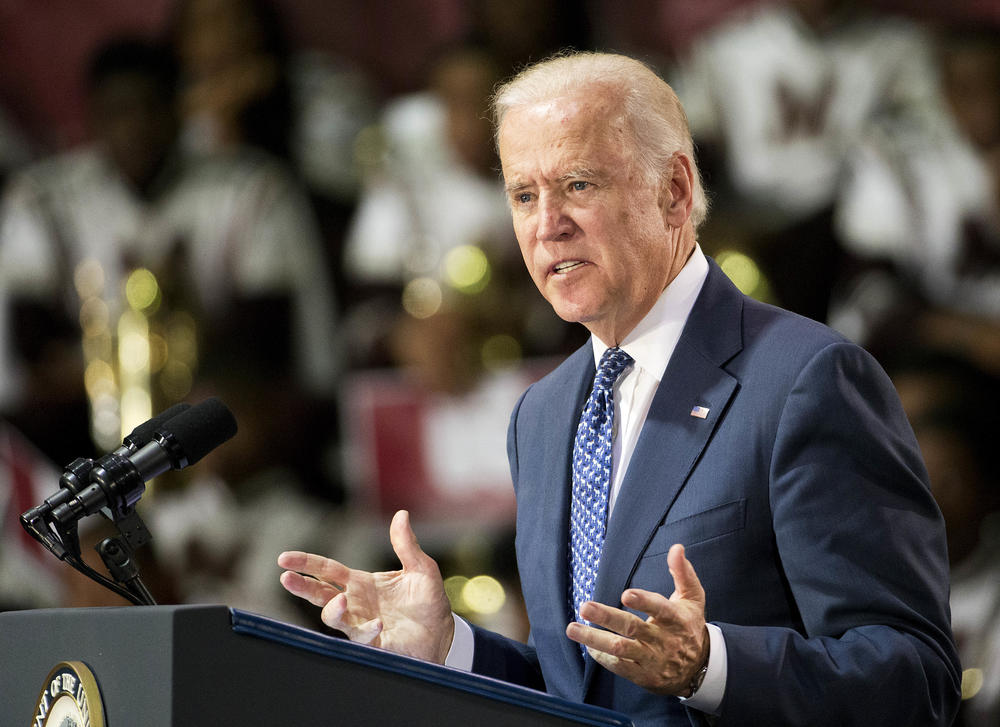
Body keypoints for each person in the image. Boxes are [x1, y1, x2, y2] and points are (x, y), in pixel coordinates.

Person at [278, 51, 961, 726]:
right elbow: (584, 692)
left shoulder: (806, 380)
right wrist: (449, 645)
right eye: (524, 194)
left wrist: (711, 665)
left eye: (578, 185)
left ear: (674, 190)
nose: (548, 224)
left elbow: (915, 679)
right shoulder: (541, 414)